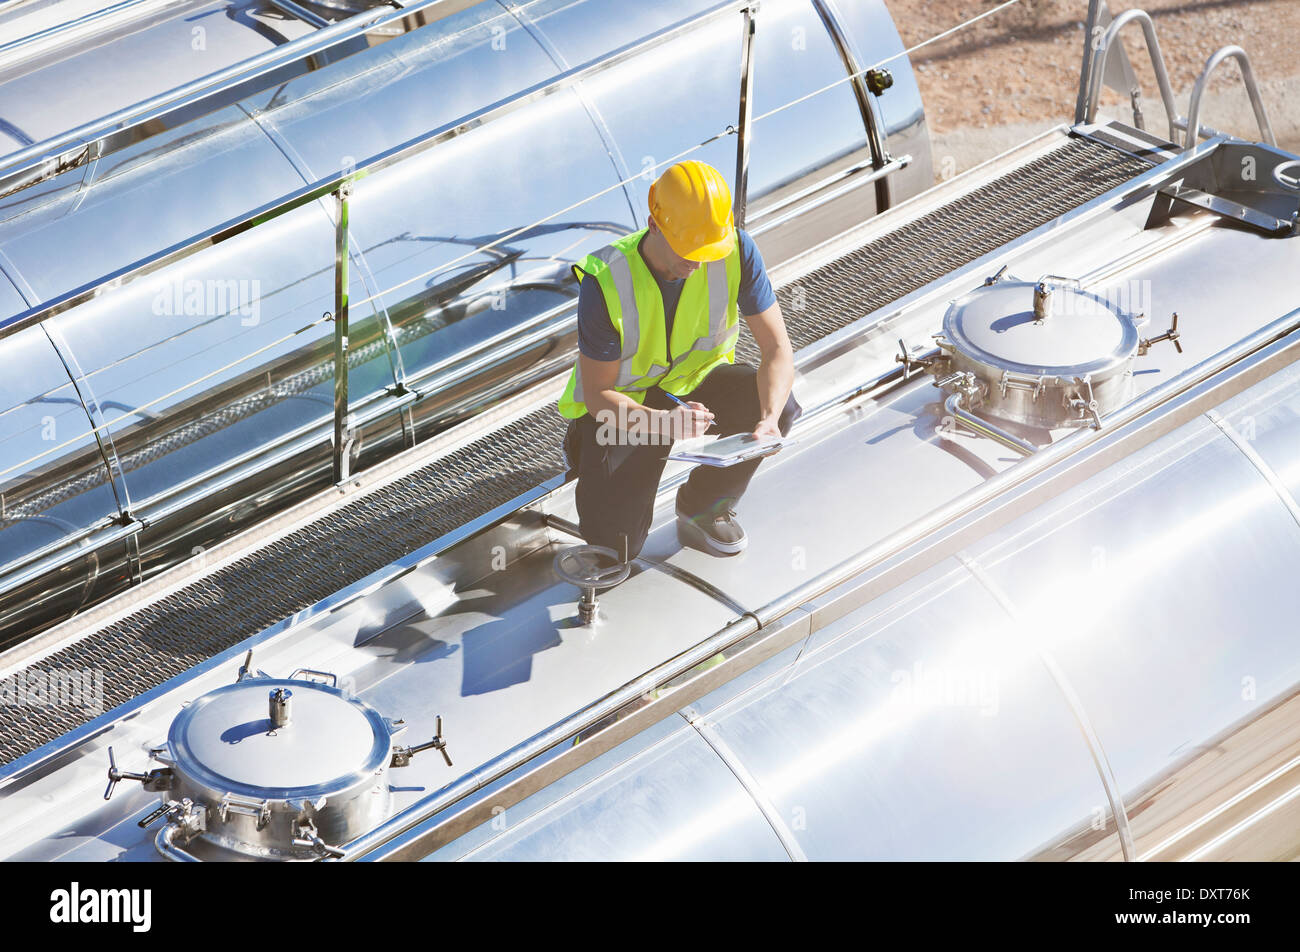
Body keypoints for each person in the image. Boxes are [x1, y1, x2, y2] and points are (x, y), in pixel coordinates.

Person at [557, 159, 800, 561]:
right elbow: (599, 395)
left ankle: (703, 505)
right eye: (689, 250)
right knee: (616, 546)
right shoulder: (606, 279)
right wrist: (664, 424)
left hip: (693, 386)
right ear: (654, 225)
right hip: (622, 408)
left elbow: (777, 350)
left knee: (780, 403)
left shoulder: (737, 250)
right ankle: (585, 448)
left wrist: (770, 419)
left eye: (709, 250)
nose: (699, 262)